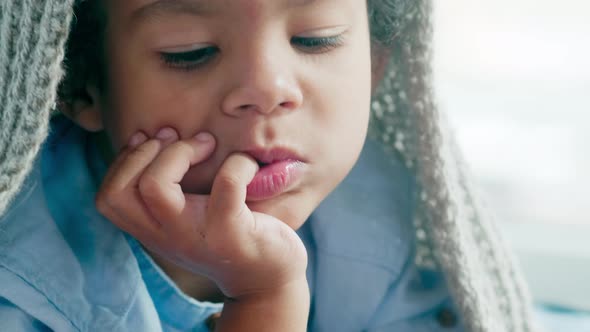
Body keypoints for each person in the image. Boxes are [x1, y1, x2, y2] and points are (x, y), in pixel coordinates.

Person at [0, 0, 540, 331]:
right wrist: (264, 297)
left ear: (376, 63)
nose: (267, 89)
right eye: (190, 51)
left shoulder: (383, 216)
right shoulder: (20, 283)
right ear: (76, 85)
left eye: (316, 38)